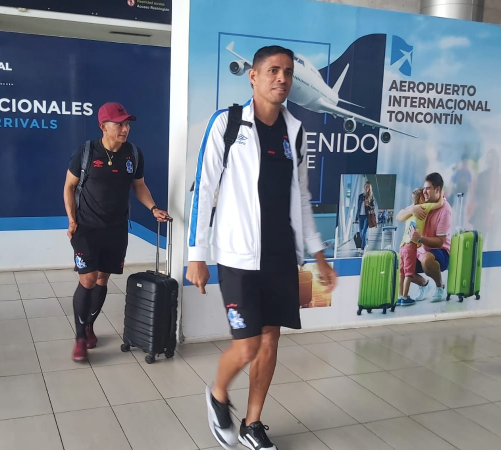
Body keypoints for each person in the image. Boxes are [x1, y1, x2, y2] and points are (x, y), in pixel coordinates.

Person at [186, 46, 337, 450]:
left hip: (282, 256)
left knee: (271, 340)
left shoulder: (295, 130)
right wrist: (196, 254)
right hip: (237, 254)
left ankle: (253, 423)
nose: (282, 79)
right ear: (253, 76)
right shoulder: (228, 124)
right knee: (248, 344)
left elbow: (301, 196)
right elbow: (205, 188)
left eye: (288, 72)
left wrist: (319, 255)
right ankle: (218, 393)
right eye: (273, 71)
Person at [63, 102, 170, 362]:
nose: (125, 129)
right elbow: (69, 186)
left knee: (102, 279)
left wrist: (153, 207)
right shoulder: (87, 152)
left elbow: (139, 186)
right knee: (87, 279)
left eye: (127, 124)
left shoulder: (133, 154)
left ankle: (89, 325)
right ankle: (79, 338)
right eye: (119, 124)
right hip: (86, 227)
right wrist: (71, 220)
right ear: (103, 126)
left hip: (117, 228)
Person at [396, 172, 451, 302]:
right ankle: (423, 284)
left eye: (428, 189)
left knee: (427, 259)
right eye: (424, 188)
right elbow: (399, 216)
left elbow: (440, 242)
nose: (424, 192)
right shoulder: (421, 205)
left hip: (440, 252)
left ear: (437, 190)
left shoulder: (444, 209)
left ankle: (439, 287)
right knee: (400, 265)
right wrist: (412, 210)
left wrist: (419, 238)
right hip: (420, 250)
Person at [355, 181, 375, 251]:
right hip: (360, 216)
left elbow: (373, 207)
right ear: (364, 187)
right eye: (366, 187)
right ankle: (365, 244)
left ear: (370, 188)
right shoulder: (360, 196)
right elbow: (358, 207)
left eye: (368, 187)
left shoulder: (371, 197)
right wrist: (356, 218)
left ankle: (363, 247)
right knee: (361, 233)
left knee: (364, 232)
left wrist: (368, 205)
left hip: (367, 217)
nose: (367, 188)